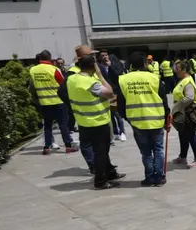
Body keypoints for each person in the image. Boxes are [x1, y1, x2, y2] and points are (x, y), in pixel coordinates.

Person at [66, 53, 125, 189]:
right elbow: (109, 92)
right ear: (94, 66)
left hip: (83, 121)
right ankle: (100, 181)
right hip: (97, 121)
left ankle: (110, 173)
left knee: (101, 151)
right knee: (101, 152)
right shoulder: (90, 82)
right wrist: (100, 75)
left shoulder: (72, 79)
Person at [118, 52, 170, 187]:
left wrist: (128, 118)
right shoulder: (155, 78)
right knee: (158, 149)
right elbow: (164, 101)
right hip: (156, 120)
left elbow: (120, 104)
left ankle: (149, 177)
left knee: (146, 152)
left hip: (137, 122)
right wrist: (167, 118)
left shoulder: (123, 80)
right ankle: (158, 178)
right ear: (145, 64)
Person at [30, 50, 78, 155]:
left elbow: (32, 86)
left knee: (47, 126)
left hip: (44, 103)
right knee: (63, 125)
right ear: (49, 58)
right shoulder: (54, 69)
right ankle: (68, 147)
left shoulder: (33, 70)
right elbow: (63, 83)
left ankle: (47, 147)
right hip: (58, 101)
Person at [171, 61, 196, 168]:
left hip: (188, 113)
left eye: (178, 69)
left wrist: (177, 107)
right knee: (182, 135)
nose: (176, 71)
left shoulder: (188, 82)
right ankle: (183, 156)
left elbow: (189, 97)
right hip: (183, 112)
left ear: (184, 70)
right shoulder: (183, 80)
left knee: (191, 136)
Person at [98, 52, 126, 142]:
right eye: (102, 56)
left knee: (117, 114)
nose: (105, 57)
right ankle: (115, 132)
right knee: (111, 115)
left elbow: (118, 76)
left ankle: (122, 132)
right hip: (105, 92)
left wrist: (110, 66)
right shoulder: (99, 68)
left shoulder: (114, 65)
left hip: (114, 92)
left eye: (106, 55)